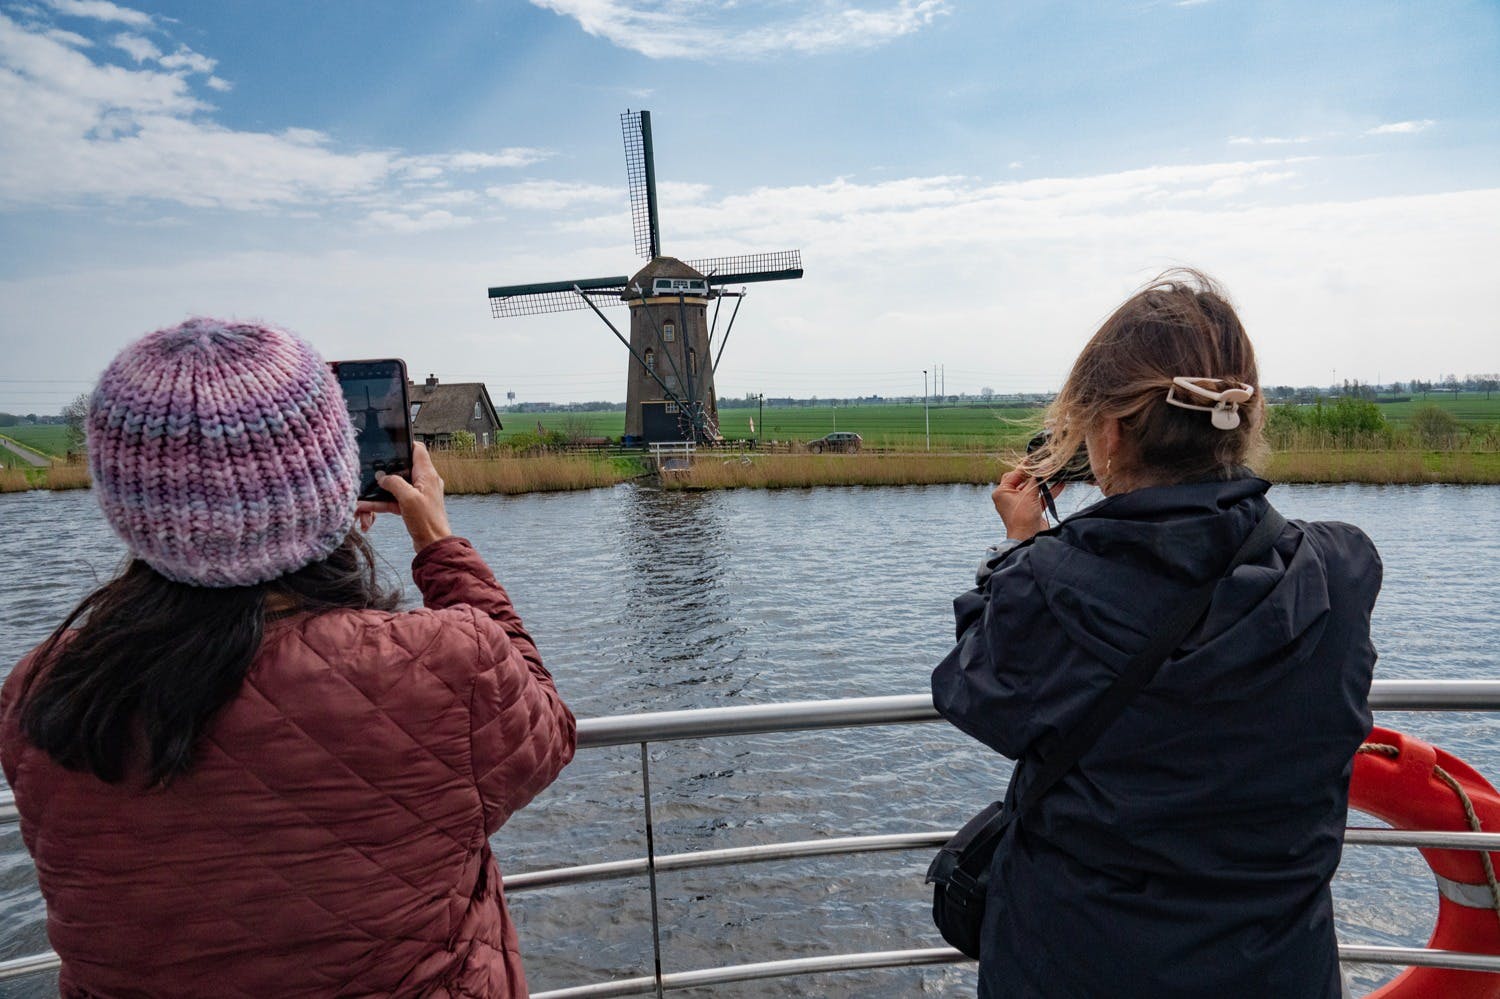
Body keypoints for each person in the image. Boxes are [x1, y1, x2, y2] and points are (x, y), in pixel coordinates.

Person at [0, 318, 576, 998]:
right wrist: (439, 545)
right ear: (333, 482)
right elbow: (547, 725)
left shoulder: (43, 693)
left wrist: (311, 524)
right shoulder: (449, 661)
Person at [931, 271, 1380, 998]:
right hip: (1277, 971)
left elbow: (976, 690)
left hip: (1079, 967)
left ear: (1108, 433)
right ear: (1242, 421)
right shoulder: (1339, 570)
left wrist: (1022, 548)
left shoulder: (1046, 586)